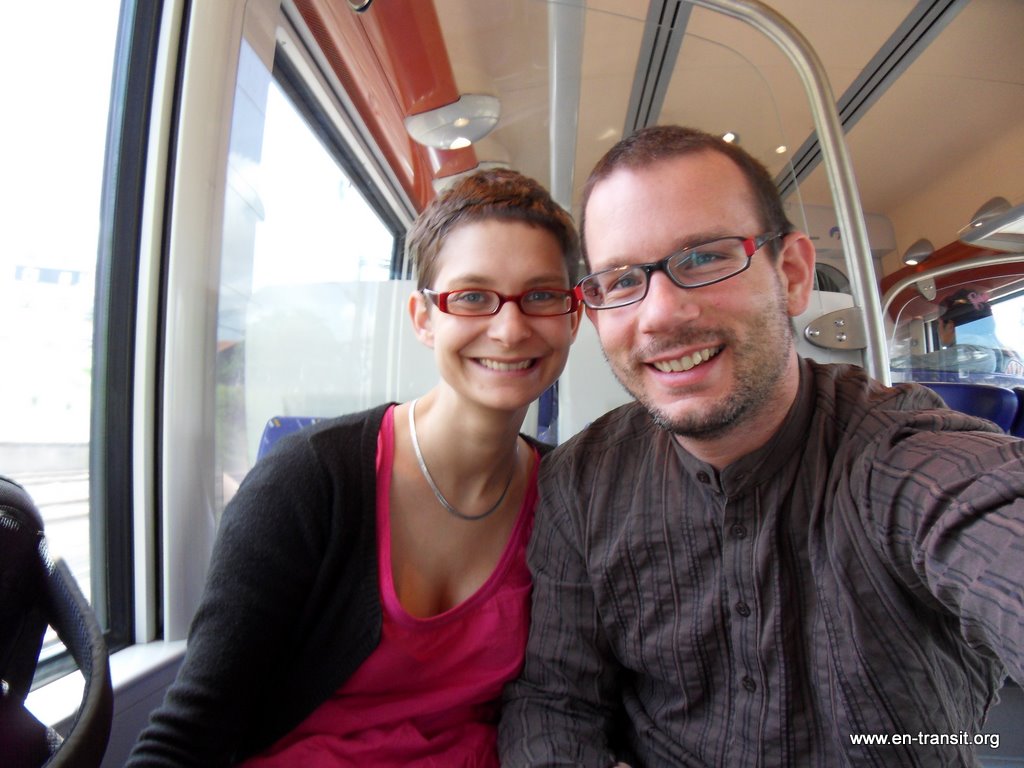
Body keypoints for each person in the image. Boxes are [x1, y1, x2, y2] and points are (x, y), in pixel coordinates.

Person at [498, 126, 1024, 766]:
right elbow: (554, 702)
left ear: (793, 274)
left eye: (704, 257)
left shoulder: (902, 457)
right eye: (622, 280)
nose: (659, 315)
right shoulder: (580, 482)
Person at [127, 168, 581, 767]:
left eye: (542, 296)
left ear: (574, 316)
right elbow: (188, 736)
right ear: (424, 318)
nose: (510, 328)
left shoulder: (568, 498)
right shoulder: (310, 481)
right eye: (472, 296)